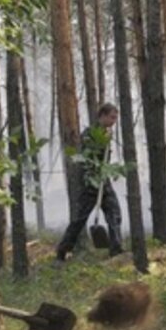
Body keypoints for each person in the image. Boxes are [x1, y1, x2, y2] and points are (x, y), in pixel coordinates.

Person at [56, 102, 124, 260]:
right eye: (112, 118)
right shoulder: (89, 134)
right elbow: (86, 158)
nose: (114, 121)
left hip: (103, 182)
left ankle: (116, 249)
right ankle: (62, 251)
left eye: (115, 118)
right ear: (102, 116)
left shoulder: (107, 133)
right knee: (79, 220)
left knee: (114, 214)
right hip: (90, 183)